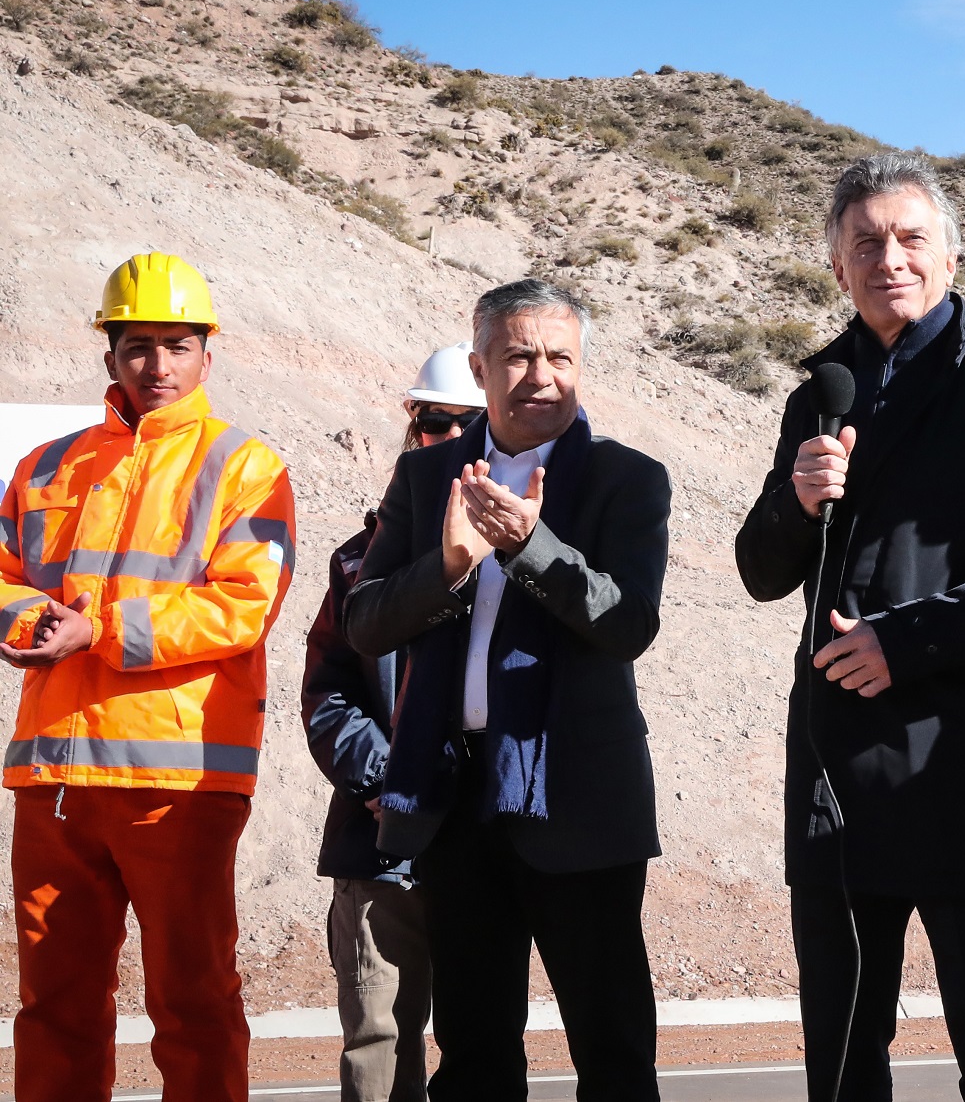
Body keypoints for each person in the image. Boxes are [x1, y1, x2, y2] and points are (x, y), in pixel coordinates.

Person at [735, 153, 965, 1102]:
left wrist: (908, 640)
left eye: (909, 238)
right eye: (865, 243)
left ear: (950, 254)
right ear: (837, 267)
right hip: (834, 772)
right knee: (845, 1052)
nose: (888, 257)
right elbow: (761, 572)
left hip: (961, 759)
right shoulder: (816, 397)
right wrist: (794, 503)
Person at [343, 281, 672, 1101]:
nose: (541, 374)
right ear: (480, 364)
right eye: (519, 354)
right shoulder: (425, 479)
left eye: (560, 356)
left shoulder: (627, 480)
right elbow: (365, 622)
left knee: (614, 1050)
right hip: (460, 806)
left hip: (583, 805)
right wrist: (448, 564)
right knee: (477, 1054)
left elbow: (627, 622)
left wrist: (532, 546)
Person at [0, 253, 297, 1102]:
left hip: (180, 782)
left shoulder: (245, 466)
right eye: (138, 346)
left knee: (193, 1004)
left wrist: (99, 631)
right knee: (52, 1008)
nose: (157, 366)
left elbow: (244, 603)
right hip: (55, 780)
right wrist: (30, 622)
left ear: (208, 352)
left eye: (176, 344)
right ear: (110, 357)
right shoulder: (45, 468)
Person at [301, 343, 487, 1102]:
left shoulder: (528, 558)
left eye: (464, 424)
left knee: (481, 1044)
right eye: (433, 422)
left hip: (484, 844)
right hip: (381, 851)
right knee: (380, 1048)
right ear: (412, 426)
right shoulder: (357, 562)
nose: (445, 439)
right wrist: (388, 776)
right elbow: (328, 693)